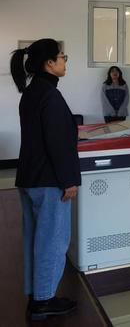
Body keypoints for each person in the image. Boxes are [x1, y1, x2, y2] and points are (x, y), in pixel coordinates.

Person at [11, 39, 79, 320]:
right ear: (49, 63)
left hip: (29, 177)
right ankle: (44, 301)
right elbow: (58, 142)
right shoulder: (50, 95)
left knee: (35, 239)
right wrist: (69, 180)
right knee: (53, 241)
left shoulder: (31, 92)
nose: (65, 61)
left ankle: (36, 293)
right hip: (49, 180)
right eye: (62, 57)